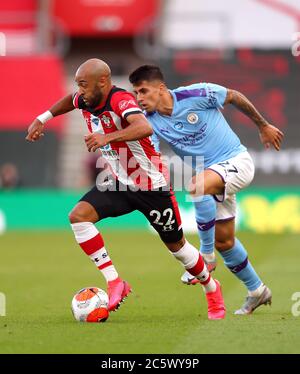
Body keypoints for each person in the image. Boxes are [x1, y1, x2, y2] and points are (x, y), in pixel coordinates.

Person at [26, 58, 225, 320]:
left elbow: (144, 127)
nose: (80, 91)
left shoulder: (120, 100)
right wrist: (43, 118)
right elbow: (68, 100)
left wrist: (106, 137)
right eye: (78, 85)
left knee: (178, 248)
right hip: (119, 182)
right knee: (78, 216)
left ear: (103, 82)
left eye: (84, 85)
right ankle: (115, 281)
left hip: (152, 187)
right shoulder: (86, 99)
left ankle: (212, 288)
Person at [129, 65, 284, 315]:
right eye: (136, 93)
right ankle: (257, 291)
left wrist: (263, 125)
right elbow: (152, 154)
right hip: (213, 176)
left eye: (143, 91)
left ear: (160, 88)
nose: (139, 98)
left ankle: (206, 258)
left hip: (236, 161)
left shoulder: (196, 94)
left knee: (197, 185)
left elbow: (233, 96)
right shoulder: (150, 123)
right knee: (225, 241)